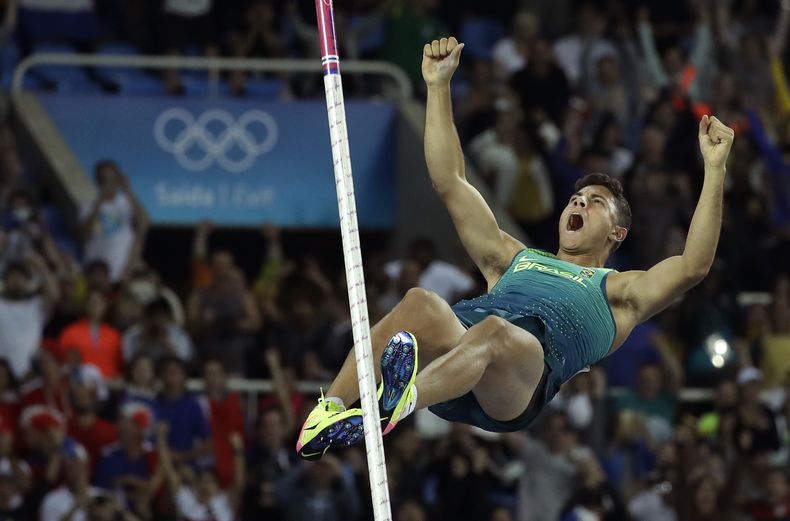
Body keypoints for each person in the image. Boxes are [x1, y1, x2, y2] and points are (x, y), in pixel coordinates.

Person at [296, 36, 735, 461]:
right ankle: (328, 412)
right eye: (576, 199)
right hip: (457, 356)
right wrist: (437, 86)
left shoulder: (620, 293)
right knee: (421, 303)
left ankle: (393, 408)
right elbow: (450, 182)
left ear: (616, 233)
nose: (579, 202)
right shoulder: (515, 259)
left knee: (495, 332)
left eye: (595, 203)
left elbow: (693, 266)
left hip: (515, 383)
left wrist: (714, 170)